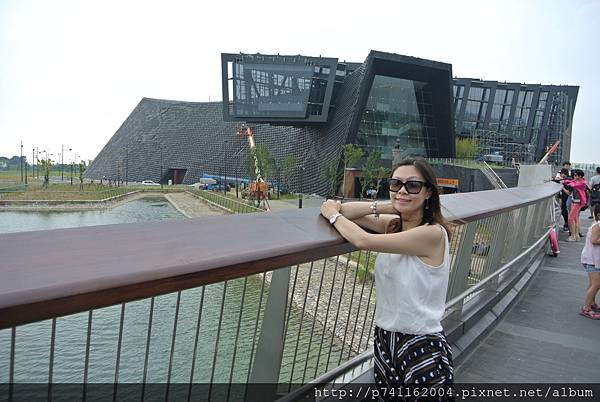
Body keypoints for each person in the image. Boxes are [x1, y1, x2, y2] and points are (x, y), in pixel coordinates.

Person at [320, 157, 453, 397]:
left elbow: (363, 240)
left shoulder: (432, 233)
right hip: (385, 339)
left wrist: (331, 215)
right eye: (395, 184)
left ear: (428, 192)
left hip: (420, 344)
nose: (402, 190)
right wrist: (387, 205)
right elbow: (347, 211)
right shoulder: (395, 227)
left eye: (412, 186)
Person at [579, 204, 600, 319]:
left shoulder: (595, 223)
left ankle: (591, 303)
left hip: (592, 258)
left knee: (594, 283)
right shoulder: (598, 225)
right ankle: (586, 308)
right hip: (593, 259)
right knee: (596, 284)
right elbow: (594, 240)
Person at [562, 169, 587, 241]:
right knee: (575, 219)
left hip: (577, 202)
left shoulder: (582, 183)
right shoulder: (576, 181)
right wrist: (562, 181)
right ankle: (576, 236)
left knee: (570, 219)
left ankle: (573, 236)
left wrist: (563, 185)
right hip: (574, 202)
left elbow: (573, 184)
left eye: (575, 175)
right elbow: (570, 182)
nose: (574, 176)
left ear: (580, 176)